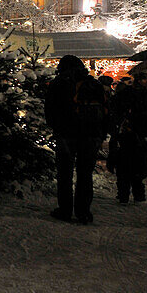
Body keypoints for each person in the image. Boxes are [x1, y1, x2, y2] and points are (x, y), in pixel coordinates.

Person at [46, 55, 107, 224]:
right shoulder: (94, 83)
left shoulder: (58, 84)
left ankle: (65, 210)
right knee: (85, 174)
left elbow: (50, 110)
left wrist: (57, 128)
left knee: (65, 174)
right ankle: (83, 212)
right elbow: (105, 108)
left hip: (67, 135)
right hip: (91, 135)